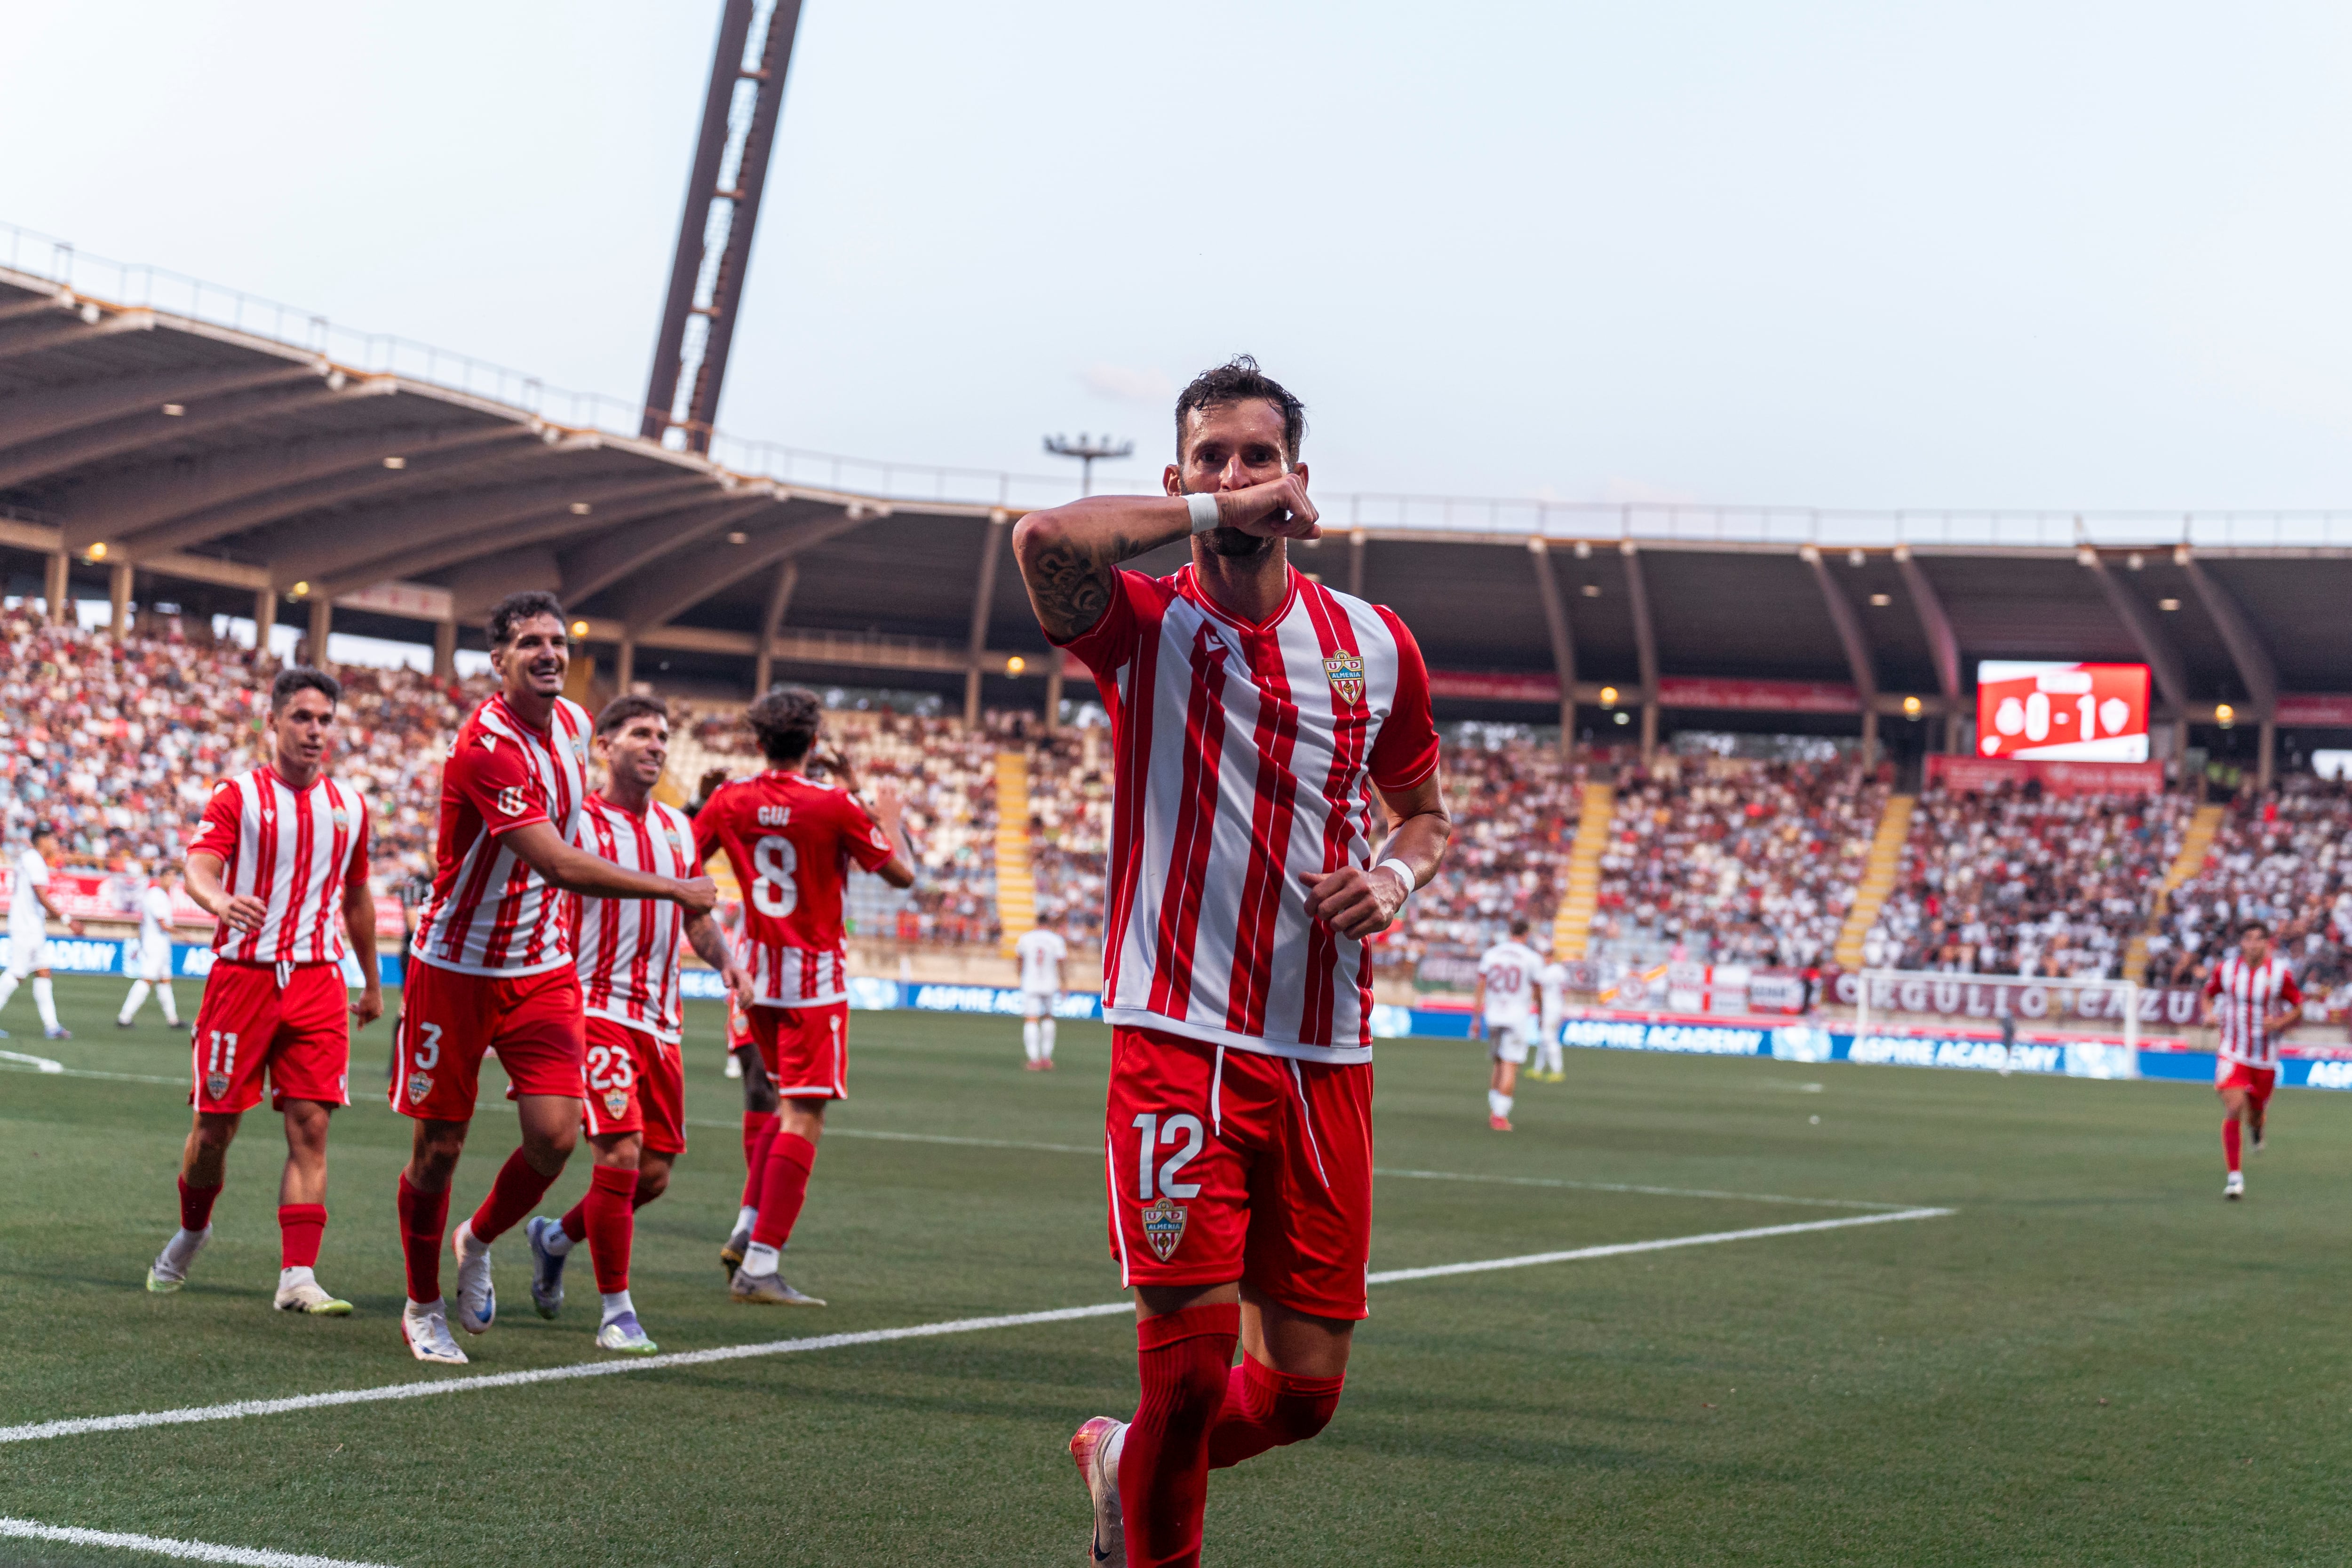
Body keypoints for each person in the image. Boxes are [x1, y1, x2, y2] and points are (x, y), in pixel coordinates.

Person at [1011, 357, 1450, 1568]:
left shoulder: (1374, 641)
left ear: (1299, 479)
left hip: (1325, 1052)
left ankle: (1118, 1457)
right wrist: (1213, 519)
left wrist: (1395, 876)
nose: (1236, 475)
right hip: (1179, 1037)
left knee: (1300, 1396)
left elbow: (1423, 811)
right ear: (1177, 481)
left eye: (1258, 457)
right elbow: (1046, 535)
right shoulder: (1143, 626)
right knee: (1194, 1374)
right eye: (1211, 458)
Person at [389, 593, 716, 1365]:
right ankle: (421, 1304)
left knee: (556, 1136)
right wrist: (673, 888)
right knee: (439, 1147)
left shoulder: (572, 725)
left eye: (558, 640)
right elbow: (557, 860)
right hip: (456, 965)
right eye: (530, 641)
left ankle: (479, 1236)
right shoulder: (485, 748)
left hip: (540, 964)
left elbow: (569, 847)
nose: (550, 652)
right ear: (497, 661)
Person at [144, 668, 384, 1313]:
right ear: (273, 722)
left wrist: (371, 979)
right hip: (242, 979)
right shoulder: (238, 795)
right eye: (302, 717)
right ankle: (193, 1229)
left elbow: (357, 897)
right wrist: (221, 898)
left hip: (317, 980)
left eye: (325, 720)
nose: (315, 730)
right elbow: (198, 865)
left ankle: (297, 1277)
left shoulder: (351, 807)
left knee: (311, 1128)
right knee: (214, 1130)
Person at [524, 695, 751, 1352]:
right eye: (641, 734)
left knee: (651, 1176)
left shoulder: (681, 830)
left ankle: (556, 1236)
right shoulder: (576, 823)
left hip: (660, 1019)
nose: (657, 745)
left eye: (663, 736)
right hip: (592, 1007)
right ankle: (616, 1312)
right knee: (618, 1155)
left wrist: (729, 963)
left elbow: (696, 914)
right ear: (604, 747)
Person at [695, 687, 914, 1304]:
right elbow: (900, 874)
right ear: (813, 743)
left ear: (758, 741)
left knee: (774, 1095)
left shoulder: (730, 799)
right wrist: (887, 816)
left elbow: (686, 857)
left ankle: (748, 1223)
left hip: (754, 973)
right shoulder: (835, 805)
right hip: (813, 980)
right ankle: (761, 1261)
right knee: (804, 1112)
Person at [2202, 919, 2302, 1201]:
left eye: (2260, 939)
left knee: (2255, 1114)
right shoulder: (2227, 970)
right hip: (2233, 1051)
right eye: (2249, 938)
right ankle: (2235, 1178)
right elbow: (2208, 996)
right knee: (2234, 1106)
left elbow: (2298, 1008)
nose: (2254, 944)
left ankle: (2258, 1130)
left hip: (2265, 1057)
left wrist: (2278, 1022)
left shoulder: (2280, 973)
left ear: (2267, 943)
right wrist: (2209, 1015)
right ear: (2242, 942)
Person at [1, 825, 76, 1040]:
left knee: (43, 972)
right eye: (53, 838)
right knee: (16, 974)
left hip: (31, 926)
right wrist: (66, 920)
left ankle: (52, 1027)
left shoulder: (31, 859)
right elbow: (40, 895)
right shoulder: (35, 860)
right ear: (42, 840)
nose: (56, 843)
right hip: (26, 927)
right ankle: (51, 1027)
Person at [1475, 919, 1546, 1131]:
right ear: (1527, 934)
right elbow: (1538, 989)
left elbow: (1480, 985)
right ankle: (1500, 1115)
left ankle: (1494, 1111)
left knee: (1498, 1063)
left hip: (1494, 1014)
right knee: (1510, 1065)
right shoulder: (1531, 958)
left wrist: (1476, 1018)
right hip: (1516, 1016)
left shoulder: (1492, 954)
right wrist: (1542, 1013)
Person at [116, 866, 183, 1029]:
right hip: (156, 945)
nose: (173, 880)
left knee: (165, 981)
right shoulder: (157, 896)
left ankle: (173, 1020)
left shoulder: (157, 895)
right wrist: (183, 934)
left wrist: (139, 945)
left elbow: (144, 924)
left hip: (158, 943)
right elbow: (163, 924)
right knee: (147, 979)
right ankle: (124, 1017)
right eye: (171, 876)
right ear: (162, 877)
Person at [1015, 922, 1070, 1069]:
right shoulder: (1056, 939)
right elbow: (1061, 962)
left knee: (1031, 1019)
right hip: (1050, 982)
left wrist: (1019, 974)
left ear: (1037, 923)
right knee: (1048, 1017)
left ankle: (1034, 1060)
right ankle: (1047, 1058)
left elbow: (1019, 958)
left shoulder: (1026, 938)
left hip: (1031, 982)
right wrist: (1064, 983)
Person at [1534, 950, 1569, 1081]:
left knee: (1549, 1038)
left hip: (1550, 1009)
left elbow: (1538, 988)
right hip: (1556, 1008)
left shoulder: (1550, 971)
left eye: (1546, 957)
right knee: (1544, 1040)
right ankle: (1538, 1069)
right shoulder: (1560, 971)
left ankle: (1557, 1070)